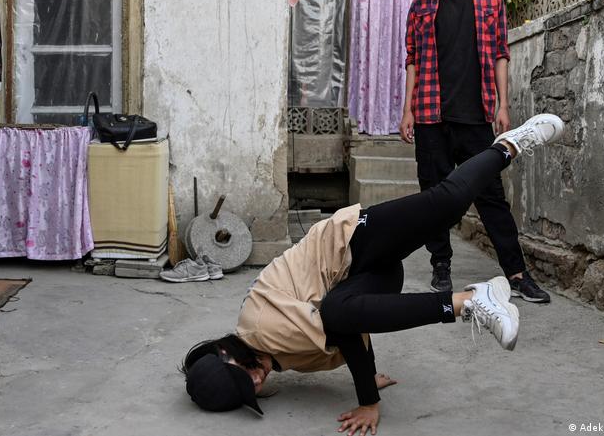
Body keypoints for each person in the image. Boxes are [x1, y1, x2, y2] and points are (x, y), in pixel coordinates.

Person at [182, 114, 564, 434]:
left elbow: (339, 325)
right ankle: (472, 300)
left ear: (225, 352)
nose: (256, 382)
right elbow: (351, 318)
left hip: (350, 241)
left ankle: (510, 145)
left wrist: (367, 398)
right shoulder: (275, 356)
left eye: (242, 378)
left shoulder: (262, 329)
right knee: (339, 309)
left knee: (445, 204)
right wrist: (367, 375)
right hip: (365, 276)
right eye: (246, 391)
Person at [399, 0, 551, 303]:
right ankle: (441, 266)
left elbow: (501, 52)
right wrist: (407, 111)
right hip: (432, 116)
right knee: (435, 197)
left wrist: (503, 105)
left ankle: (516, 274)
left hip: (477, 116)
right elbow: (413, 61)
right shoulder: (422, 4)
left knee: (492, 197)